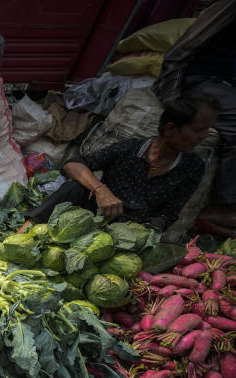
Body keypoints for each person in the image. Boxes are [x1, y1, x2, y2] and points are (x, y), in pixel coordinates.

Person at [26, 96, 219, 231]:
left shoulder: (193, 166)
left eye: (207, 130)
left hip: (131, 231)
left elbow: (170, 212)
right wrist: (101, 190)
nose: (203, 137)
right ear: (170, 129)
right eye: (198, 130)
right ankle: (24, 231)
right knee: (75, 187)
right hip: (97, 213)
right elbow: (73, 165)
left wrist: (144, 231)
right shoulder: (130, 148)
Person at [156, 0, 236, 227]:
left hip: (227, 84)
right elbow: (180, 50)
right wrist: (171, 97)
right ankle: (222, 207)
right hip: (201, 80)